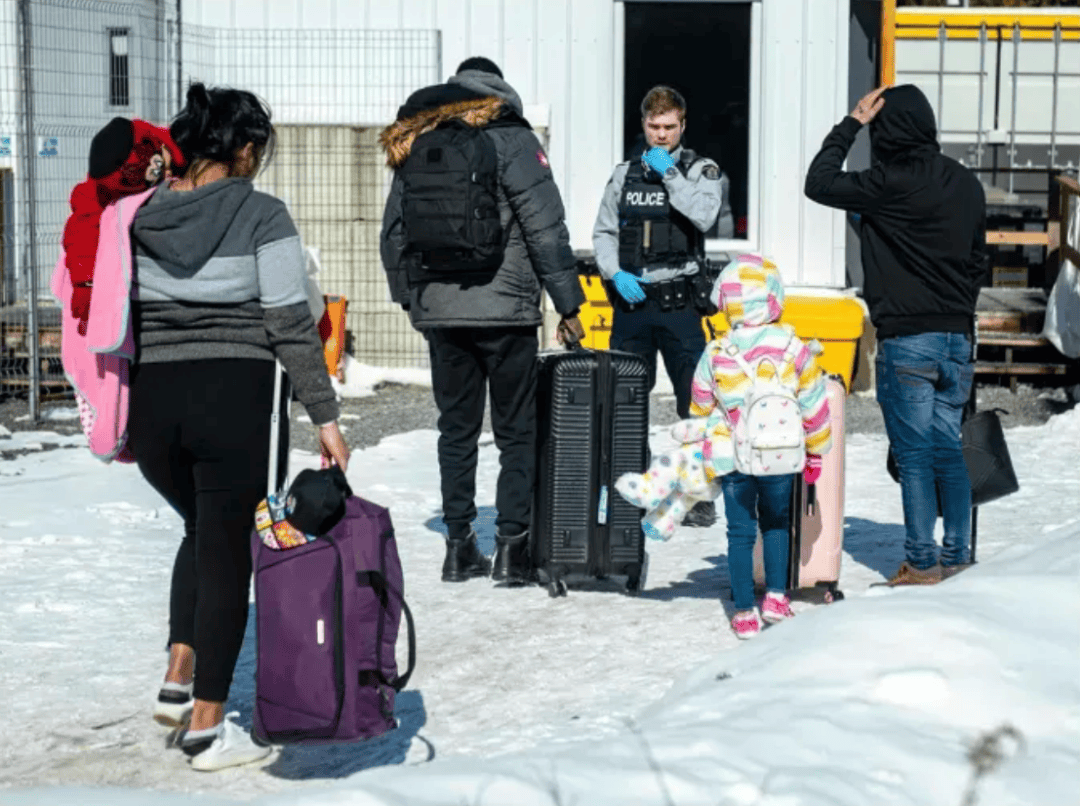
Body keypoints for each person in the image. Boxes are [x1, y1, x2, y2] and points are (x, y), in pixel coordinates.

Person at [125, 83, 350, 771]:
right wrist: (326, 416)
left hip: (154, 404)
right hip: (231, 397)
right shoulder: (263, 215)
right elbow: (288, 322)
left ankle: (178, 674)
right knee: (227, 556)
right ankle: (206, 727)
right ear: (246, 149)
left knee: (201, 531)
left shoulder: (136, 213)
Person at [380, 57, 585, 586]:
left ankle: (458, 545)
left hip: (442, 313)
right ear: (500, 90)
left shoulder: (422, 138)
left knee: (457, 430)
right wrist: (568, 304)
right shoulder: (515, 141)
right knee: (516, 429)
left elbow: (394, 232)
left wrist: (412, 301)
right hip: (506, 311)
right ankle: (513, 550)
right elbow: (545, 229)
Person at [804, 84, 988, 586]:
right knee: (947, 447)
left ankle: (922, 562)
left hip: (908, 340)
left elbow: (818, 183)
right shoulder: (967, 184)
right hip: (957, 339)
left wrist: (851, 124)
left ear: (886, 130)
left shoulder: (887, 182)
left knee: (914, 456)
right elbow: (978, 263)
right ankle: (956, 555)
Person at [592, 84, 733, 528]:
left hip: (679, 302)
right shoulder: (624, 174)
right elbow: (604, 233)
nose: (661, 136)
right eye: (654, 127)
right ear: (643, 126)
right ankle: (635, 488)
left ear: (683, 126)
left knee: (695, 403)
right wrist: (615, 273)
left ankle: (700, 495)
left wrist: (670, 175)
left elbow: (705, 217)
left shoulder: (700, 170)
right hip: (634, 303)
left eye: (669, 128)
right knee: (624, 401)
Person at [688, 255, 832, 639]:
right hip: (781, 454)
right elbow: (815, 404)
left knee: (739, 532)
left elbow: (700, 403)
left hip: (734, 455)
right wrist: (816, 450)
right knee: (776, 524)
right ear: (774, 297)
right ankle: (775, 598)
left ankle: (744, 611)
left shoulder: (718, 350)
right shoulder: (794, 346)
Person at [61, 117, 184, 336]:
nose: (167, 176)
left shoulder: (178, 143)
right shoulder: (98, 190)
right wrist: (86, 285)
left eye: (163, 167)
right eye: (154, 179)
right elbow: (82, 234)